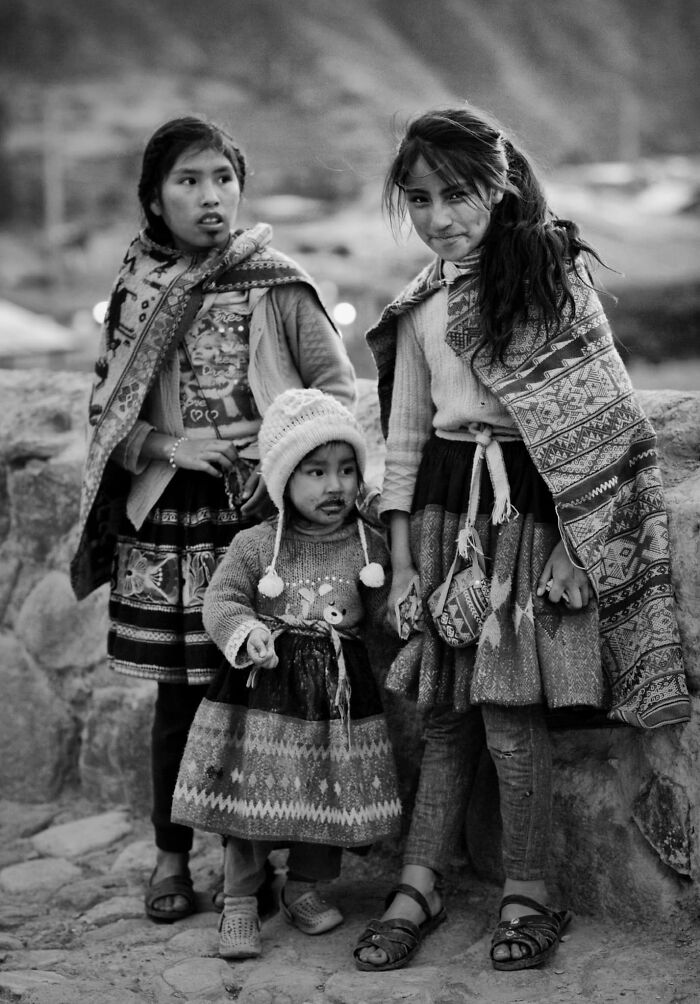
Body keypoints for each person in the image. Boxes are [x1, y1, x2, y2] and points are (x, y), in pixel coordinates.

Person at [353, 104, 689, 973]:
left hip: (528, 517)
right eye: (419, 200)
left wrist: (581, 548)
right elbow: (403, 434)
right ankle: (417, 886)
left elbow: (602, 423)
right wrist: (398, 557)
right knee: (443, 719)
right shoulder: (423, 304)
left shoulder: (549, 279)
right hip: (440, 514)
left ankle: (528, 891)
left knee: (509, 716)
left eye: (457, 194)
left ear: (500, 189)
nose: (438, 218)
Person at [69, 116, 357, 924]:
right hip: (167, 519)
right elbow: (106, 413)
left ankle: (256, 864)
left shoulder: (277, 282)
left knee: (259, 691)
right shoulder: (137, 291)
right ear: (155, 201)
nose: (210, 196)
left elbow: (337, 392)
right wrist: (171, 443)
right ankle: (171, 858)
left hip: (263, 520)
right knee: (178, 700)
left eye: (223, 178)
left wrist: (280, 453)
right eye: (188, 181)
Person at [170, 388, 402, 959]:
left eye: (348, 470)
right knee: (253, 801)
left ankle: (304, 887)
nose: (335, 486)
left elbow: (383, 610)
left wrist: (377, 509)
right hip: (263, 700)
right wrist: (246, 633)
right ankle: (241, 902)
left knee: (329, 795)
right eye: (316, 472)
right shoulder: (254, 546)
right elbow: (219, 603)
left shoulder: (368, 547)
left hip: (336, 703)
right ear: (282, 480)